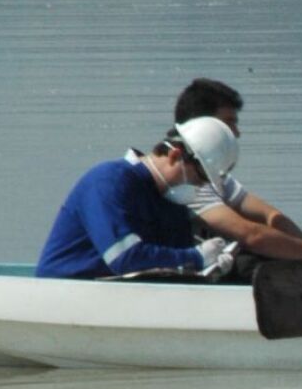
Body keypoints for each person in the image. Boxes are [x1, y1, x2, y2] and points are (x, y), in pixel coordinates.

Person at [171, 78, 302, 279]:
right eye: (229, 123)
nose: (237, 133)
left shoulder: (216, 176)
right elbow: (251, 235)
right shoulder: (186, 176)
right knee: (262, 260)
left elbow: (270, 216)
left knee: (285, 254)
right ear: (205, 127)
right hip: (195, 272)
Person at [35, 117, 239, 279]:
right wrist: (195, 257)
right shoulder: (108, 181)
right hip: (65, 289)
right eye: (201, 177)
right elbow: (124, 258)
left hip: (115, 295)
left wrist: (210, 266)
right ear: (174, 156)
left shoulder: (171, 201)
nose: (199, 186)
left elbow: (168, 260)